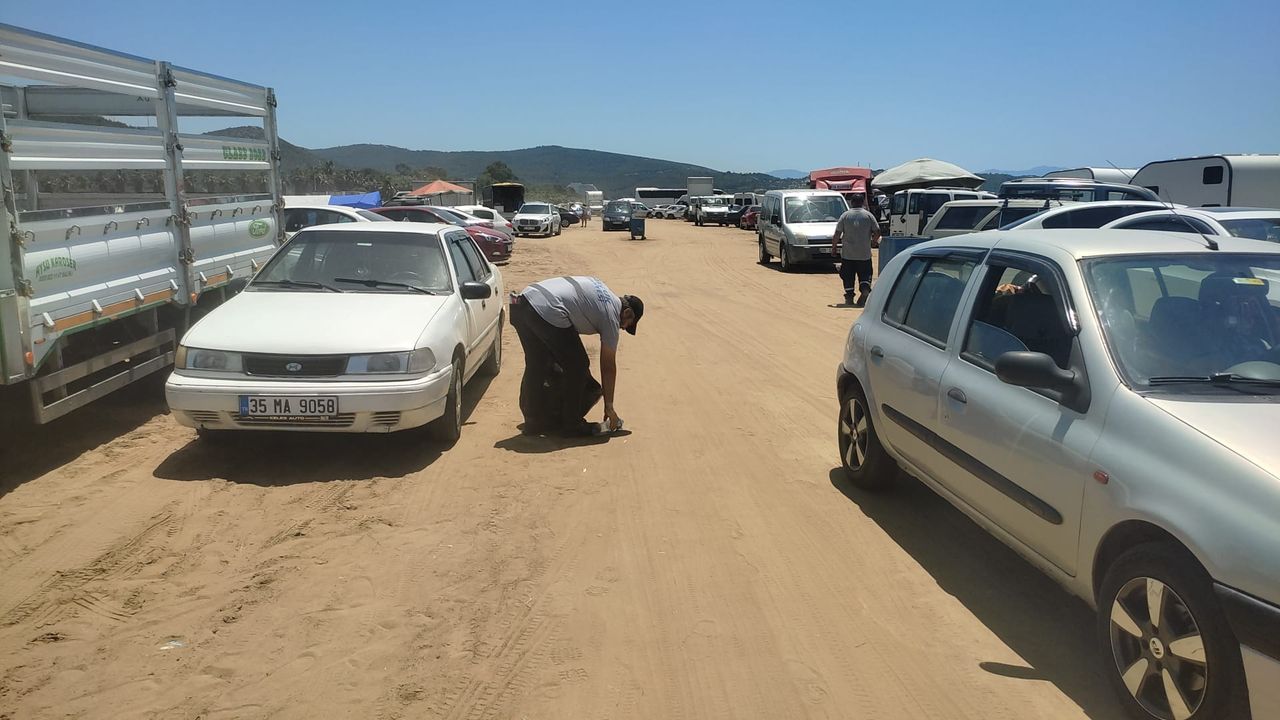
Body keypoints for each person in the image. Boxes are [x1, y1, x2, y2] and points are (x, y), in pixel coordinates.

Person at [509, 276, 643, 436]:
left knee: (537, 362)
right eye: (627, 326)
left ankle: (533, 422)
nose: (622, 328)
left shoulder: (603, 289)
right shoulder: (611, 315)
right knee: (578, 366)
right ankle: (571, 424)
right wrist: (609, 406)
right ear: (627, 313)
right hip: (547, 310)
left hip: (520, 303)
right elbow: (608, 365)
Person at [831, 194, 881, 306]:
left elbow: (837, 234)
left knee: (848, 276)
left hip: (848, 254)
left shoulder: (845, 216)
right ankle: (865, 290)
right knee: (865, 274)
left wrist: (834, 248)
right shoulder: (869, 216)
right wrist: (873, 242)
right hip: (864, 254)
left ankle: (849, 298)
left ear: (852, 202)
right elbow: (877, 231)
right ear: (862, 202)